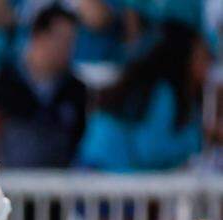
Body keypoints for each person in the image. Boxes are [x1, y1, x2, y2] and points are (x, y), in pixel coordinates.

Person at [77, 20, 211, 172]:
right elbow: (150, 151)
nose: (207, 66)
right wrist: (198, 140)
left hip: (113, 179)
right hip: (103, 177)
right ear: (183, 58)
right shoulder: (163, 93)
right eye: (201, 57)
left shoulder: (172, 93)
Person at [0, 4, 87, 168]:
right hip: (8, 183)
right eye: (60, 39)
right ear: (38, 36)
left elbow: (77, 140)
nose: (66, 48)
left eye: (71, 41)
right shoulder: (2, 86)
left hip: (59, 188)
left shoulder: (75, 91)